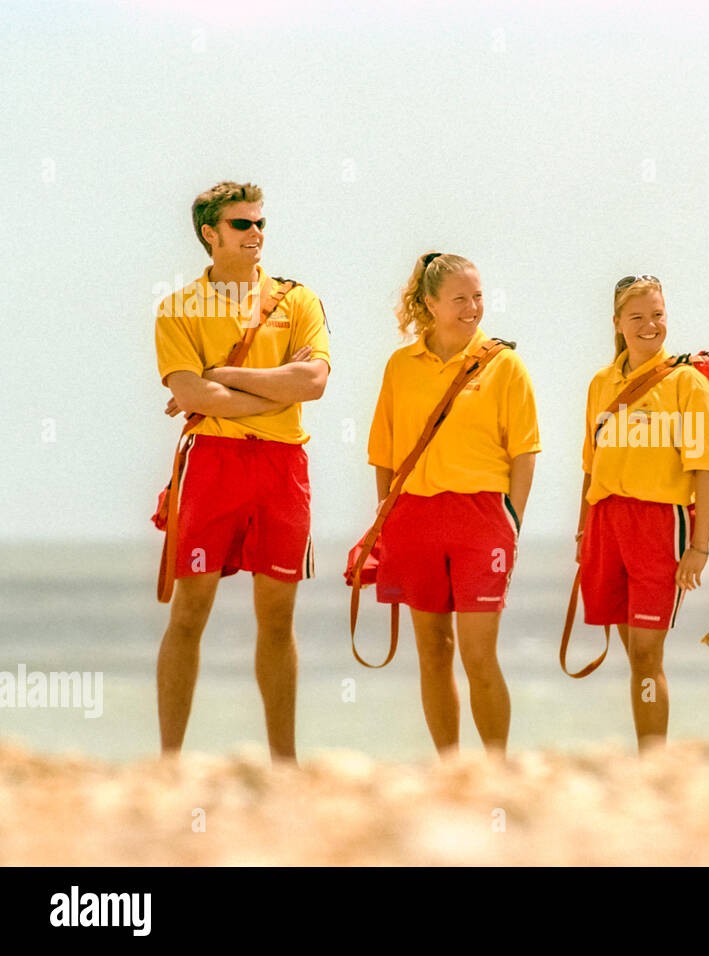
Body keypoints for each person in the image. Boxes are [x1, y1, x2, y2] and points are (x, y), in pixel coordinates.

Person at [155, 181, 331, 763]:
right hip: (212, 465)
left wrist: (223, 380)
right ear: (210, 233)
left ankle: (285, 764)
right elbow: (187, 391)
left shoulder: (298, 299)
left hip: (283, 467)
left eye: (260, 223)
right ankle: (170, 763)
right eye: (241, 225)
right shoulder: (177, 308)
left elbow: (313, 383)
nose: (256, 234)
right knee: (189, 611)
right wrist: (266, 389)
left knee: (277, 619)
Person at [367, 251, 540, 758]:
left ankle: (495, 766)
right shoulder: (400, 366)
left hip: (482, 519)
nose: (472, 308)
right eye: (460, 299)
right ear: (430, 303)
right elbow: (384, 452)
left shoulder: (505, 364)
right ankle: (450, 769)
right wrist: (386, 521)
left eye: (478, 297)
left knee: (478, 653)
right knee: (432, 652)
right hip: (414, 518)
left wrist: (512, 522)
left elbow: (525, 451)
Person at [575, 276, 709, 751]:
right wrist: (583, 531)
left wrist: (699, 547)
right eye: (636, 317)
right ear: (617, 323)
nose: (649, 325)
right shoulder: (601, 383)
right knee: (631, 651)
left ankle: (654, 760)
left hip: (660, 525)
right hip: (606, 523)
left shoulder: (687, 383)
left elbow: (706, 470)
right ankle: (646, 750)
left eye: (657, 314)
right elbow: (589, 466)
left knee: (646, 650)